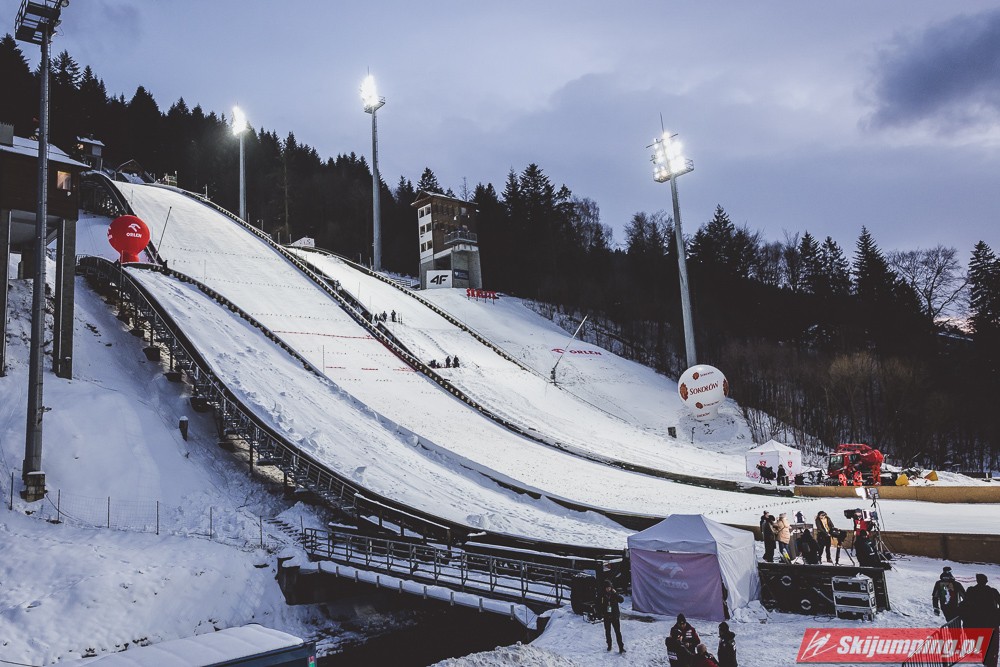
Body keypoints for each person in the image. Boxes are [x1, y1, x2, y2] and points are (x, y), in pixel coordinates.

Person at [961, 574, 1000, 667]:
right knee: (992, 648)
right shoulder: (992, 592)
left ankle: (984, 660)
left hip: (974, 624)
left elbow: (964, 605)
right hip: (991, 624)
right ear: (986, 581)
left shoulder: (971, 591)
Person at [598, 580, 626, 654]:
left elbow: (621, 600)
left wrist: (615, 593)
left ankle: (621, 647)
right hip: (607, 616)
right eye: (607, 588)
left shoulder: (614, 594)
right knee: (608, 632)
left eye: (609, 587)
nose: (608, 589)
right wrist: (600, 614)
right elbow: (599, 605)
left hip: (615, 616)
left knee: (618, 632)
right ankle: (609, 645)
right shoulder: (602, 594)